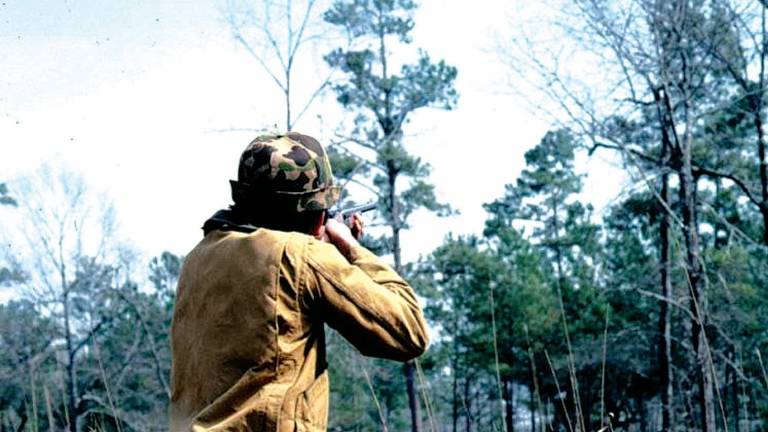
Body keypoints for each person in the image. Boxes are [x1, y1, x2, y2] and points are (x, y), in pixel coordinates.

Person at [169, 132, 429, 431]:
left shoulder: (198, 257)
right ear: (318, 218)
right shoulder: (300, 256)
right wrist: (350, 248)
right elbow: (409, 333)